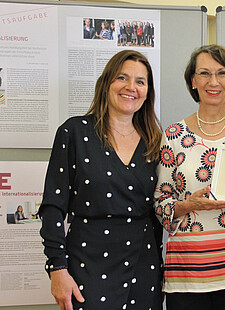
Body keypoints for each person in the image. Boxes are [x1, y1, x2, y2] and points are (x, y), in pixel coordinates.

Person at [39, 50, 163, 310]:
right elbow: (53, 207)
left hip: (143, 264)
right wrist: (57, 269)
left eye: (140, 81)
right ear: (107, 83)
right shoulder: (74, 132)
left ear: (147, 91)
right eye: (122, 78)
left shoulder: (154, 141)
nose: (131, 87)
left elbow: (158, 210)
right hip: (87, 264)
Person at [154, 44, 225, 310]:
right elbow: (160, 203)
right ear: (193, 81)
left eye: (222, 73)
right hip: (187, 271)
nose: (213, 82)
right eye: (204, 73)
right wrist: (191, 204)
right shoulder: (173, 135)